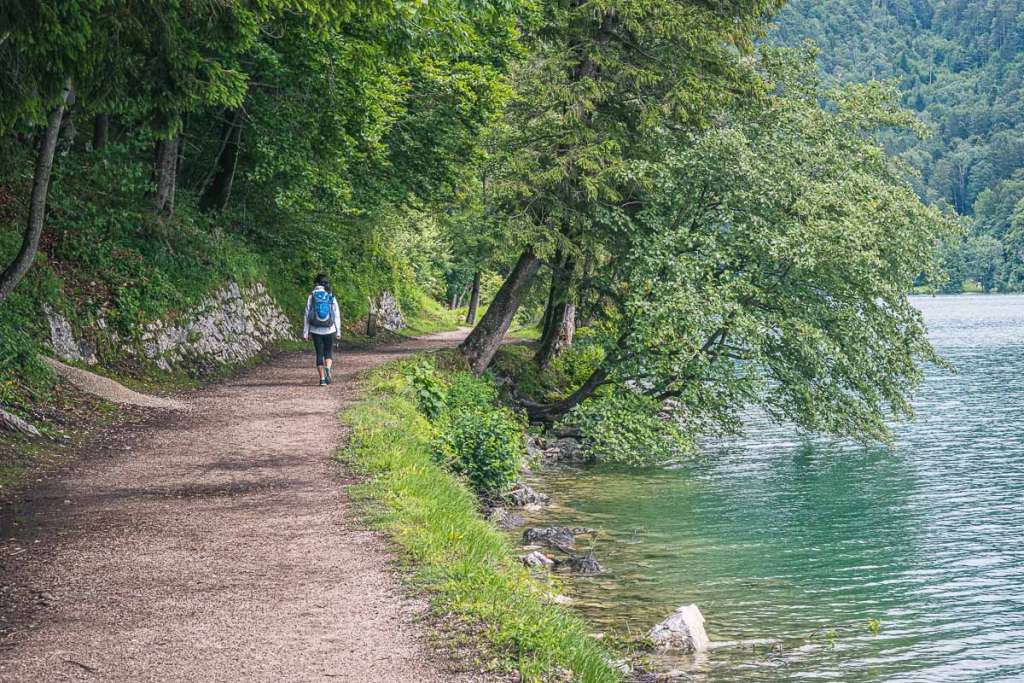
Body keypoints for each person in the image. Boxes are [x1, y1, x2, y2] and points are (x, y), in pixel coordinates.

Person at [303, 274, 342, 386]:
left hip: (315, 330)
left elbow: (306, 314)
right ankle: (328, 368)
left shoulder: (312, 296)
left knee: (319, 354)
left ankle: (322, 380)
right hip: (330, 329)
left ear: (316, 283)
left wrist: (305, 332)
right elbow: (336, 315)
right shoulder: (330, 296)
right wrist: (338, 331)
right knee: (328, 352)